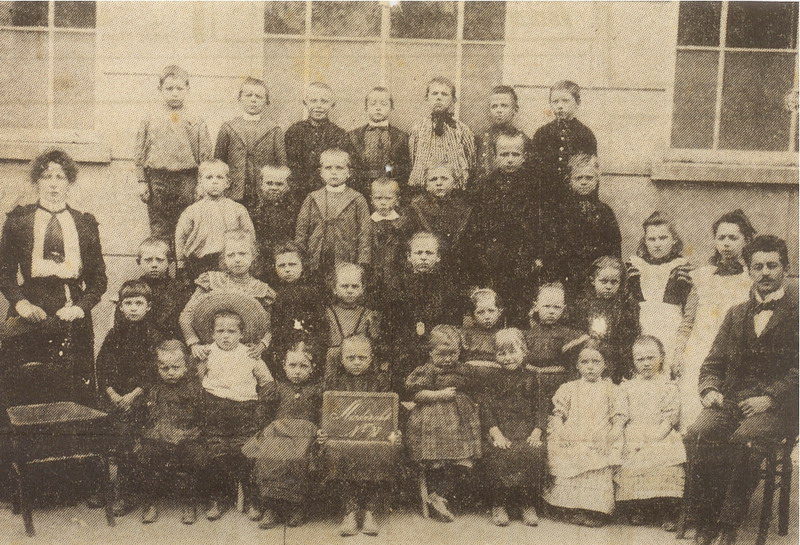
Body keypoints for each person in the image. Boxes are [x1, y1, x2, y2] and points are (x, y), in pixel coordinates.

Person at [683, 235, 798, 545]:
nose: (765, 273)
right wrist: (710, 390)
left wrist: (770, 397)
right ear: (748, 270)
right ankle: (705, 520)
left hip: (778, 408)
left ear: (785, 268)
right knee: (698, 433)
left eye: (772, 265)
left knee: (743, 439)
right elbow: (712, 364)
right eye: (757, 266)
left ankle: (728, 525)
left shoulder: (797, 312)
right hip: (732, 401)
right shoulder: (736, 314)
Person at [0, 148, 107, 407]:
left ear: (69, 182)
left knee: (71, 385)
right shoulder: (19, 221)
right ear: (37, 181)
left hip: (71, 308)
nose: (53, 184)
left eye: (60, 177)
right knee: (23, 383)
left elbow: (98, 280)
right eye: (46, 177)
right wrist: (21, 304)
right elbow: (4, 273)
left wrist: (80, 308)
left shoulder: (84, 224)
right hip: (30, 307)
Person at [673, 210, 755, 431]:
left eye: (733, 238)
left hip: (733, 354)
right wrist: (679, 352)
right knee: (691, 414)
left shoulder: (751, 278)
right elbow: (688, 320)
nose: (726, 243)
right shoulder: (702, 276)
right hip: (698, 352)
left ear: (746, 240)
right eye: (721, 237)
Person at [194, 305, 274, 521]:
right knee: (216, 453)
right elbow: (197, 382)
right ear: (212, 334)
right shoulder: (207, 353)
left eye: (232, 331)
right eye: (220, 331)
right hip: (214, 409)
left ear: (241, 334)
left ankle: (252, 498)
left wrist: (261, 407)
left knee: (247, 453)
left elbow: (267, 382)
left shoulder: (250, 354)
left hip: (244, 411)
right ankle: (218, 498)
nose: (226, 336)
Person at [319, 335, 401, 537]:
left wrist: (396, 432)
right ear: (341, 359)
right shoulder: (333, 381)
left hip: (374, 437)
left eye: (362, 358)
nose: (356, 362)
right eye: (351, 357)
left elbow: (391, 411)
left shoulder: (381, 381)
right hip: (341, 438)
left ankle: (370, 511)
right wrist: (321, 431)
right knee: (334, 451)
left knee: (385, 449)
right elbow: (322, 412)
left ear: (371, 358)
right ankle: (350, 510)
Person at [96, 280, 163, 516]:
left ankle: (131, 494)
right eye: (128, 303)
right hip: (114, 397)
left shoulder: (153, 336)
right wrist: (112, 393)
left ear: (148, 306)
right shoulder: (114, 335)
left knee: (129, 437)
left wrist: (133, 395)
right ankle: (107, 489)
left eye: (139, 303)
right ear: (121, 306)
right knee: (101, 432)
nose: (133, 308)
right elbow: (102, 366)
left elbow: (153, 372)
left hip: (142, 398)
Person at [243, 340, 323, 529]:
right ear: (284, 365)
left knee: (299, 460)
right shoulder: (276, 388)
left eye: (303, 366)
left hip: (305, 437)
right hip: (278, 434)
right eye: (292, 365)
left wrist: (320, 429)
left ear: (313, 367)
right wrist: (264, 430)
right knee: (269, 457)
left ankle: (296, 507)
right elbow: (264, 414)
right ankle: (271, 507)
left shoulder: (317, 390)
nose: (297, 371)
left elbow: (324, 414)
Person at [405, 325, 481, 523]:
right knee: (436, 460)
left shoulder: (464, 370)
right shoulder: (427, 370)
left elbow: (476, 390)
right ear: (431, 352)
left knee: (463, 460)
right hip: (433, 420)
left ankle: (441, 496)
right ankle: (435, 495)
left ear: (459, 351)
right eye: (442, 354)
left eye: (452, 353)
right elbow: (417, 394)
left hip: (460, 421)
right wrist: (439, 394)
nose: (448, 359)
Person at [543, 339, 622, 528]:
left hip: (600, 435)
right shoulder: (569, 388)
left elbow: (618, 421)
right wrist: (563, 434)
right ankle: (570, 508)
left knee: (597, 457)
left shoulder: (613, 390)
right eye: (585, 362)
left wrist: (608, 439)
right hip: (573, 435)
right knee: (567, 452)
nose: (590, 367)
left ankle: (595, 510)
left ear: (605, 365)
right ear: (577, 365)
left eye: (596, 362)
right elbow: (557, 416)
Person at [613, 335, 685, 531]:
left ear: (661, 357)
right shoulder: (627, 387)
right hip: (634, 431)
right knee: (630, 457)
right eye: (640, 359)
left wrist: (654, 437)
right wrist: (617, 431)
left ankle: (667, 511)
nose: (646, 363)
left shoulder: (668, 386)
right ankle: (639, 508)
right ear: (633, 361)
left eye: (651, 358)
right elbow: (620, 415)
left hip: (660, 431)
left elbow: (669, 418)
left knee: (663, 456)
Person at [135, 65, 212, 241]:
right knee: (159, 228)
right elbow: (140, 151)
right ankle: (160, 259)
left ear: (187, 89)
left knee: (187, 227)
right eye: (169, 89)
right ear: (160, 89)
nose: (175, 93)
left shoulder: (196, 119)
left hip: (187, 179)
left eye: (179, 88)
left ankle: (182, 260)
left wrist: (201, 183)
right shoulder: (150, 118)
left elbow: (205, 155)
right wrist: (142, 181)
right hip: (157, 179)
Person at [472, 129, 540, 326]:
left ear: (524, 156)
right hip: (494, 260)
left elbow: (540, 224)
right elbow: (477, 225)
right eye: (504, 154)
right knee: (493, 310)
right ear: (494, 156)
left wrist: (536, 256)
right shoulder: (485, 186)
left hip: (523, 259)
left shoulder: (534, 186)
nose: (510, 159)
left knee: (519, 311)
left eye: (515, 154)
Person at [382, 232, 465, 391]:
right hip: (405, 348)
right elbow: (390, 323)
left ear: (438, 257)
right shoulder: (398, 285)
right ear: (409, 256)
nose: (424, 257)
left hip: (436, 350)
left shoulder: (446, 287)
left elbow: (452, 324)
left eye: (429, 253)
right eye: (418, 253)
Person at [479, 328, 545, 527]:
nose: (507, 358)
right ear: (496, 355)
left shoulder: (533, 377)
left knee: (531, 452)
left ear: (523, 351)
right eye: (502, 353)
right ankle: (499, 504)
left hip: (526, 429)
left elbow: (541, 406)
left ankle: (527, 503)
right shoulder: (492, 379)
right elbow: (486, 408)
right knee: (499, 453)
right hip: (501, 428)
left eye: (512, 352)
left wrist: (537, 430)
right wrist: (495, 432)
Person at [137, 340, 207, 525]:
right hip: (159, 434)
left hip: (186, 434)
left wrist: (188, 432)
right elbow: (149, 415)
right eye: (164, 368)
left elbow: (200, 416)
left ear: (186, 366)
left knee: (193, 455)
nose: (170, 372)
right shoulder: (155, 388)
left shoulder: (193, 388)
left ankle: (189, 503)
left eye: (176, 367)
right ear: (157, 367)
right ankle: (150, 503)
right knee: (147, 454)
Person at [180, 229, 276, 364]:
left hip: (244, 353)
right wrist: (194, 344)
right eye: (231, 255)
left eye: (242, 253)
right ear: (223, 258)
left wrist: (262, 345)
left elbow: (269, 325)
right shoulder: (211, 280)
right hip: (211, 351)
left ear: (253, 256)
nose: (237, 259)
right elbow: (186, 316)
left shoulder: (261, 290)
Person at [542, 153, 621, 295]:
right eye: (579, 178)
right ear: (569, 180)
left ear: (597, 179)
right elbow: (552, 247)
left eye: (589, 178)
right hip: (567, 274)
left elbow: (614, 247)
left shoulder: (605, 211)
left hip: (598, 278)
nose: (584, 182)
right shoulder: (559, 211)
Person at [627, 211, 693, 372]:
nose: (657, 244)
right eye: (652, 239)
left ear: (674, 239)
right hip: (641, 328)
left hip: (672, 330)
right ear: (645, 241)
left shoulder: (682, 267)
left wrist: (681, 343)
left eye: (663, 238)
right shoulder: (634, 266)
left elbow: (689, 310)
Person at [175, 159, 256, 282]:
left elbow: (249, 235)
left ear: (227, 183)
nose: (214, 181)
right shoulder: (192, 211)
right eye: (209, 177)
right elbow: (181, 237)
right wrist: (181, 263)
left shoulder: (237, 209)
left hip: (229, 260)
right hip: (200, 262)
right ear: (200, 181)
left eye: (219, 177)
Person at [295, 148, 372, 276]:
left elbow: (365, 233)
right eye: (328, 168)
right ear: (320, 172)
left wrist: (363, 261)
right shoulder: (312, 198)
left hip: (346, 257)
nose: (334, 172)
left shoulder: (357, 199)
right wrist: (300, 257)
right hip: (316, 257)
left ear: (349, 172)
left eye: (339, 168)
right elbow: (301, 231)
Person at [214, 77, 287, 211]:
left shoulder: (274, 129)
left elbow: (282, 165)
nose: (253, 100)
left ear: (266, 101)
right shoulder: (228, 127)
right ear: (240, 98)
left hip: (264, 193)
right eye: (248, 95)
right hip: (234, 193)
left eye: (259, 96)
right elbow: (218, 163)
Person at [407, 163, 481, 288]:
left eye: (444, 178)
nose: (439, 183)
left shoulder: (463, 208)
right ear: (426, 185)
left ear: (454, 183)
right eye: (433, 179)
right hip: (425, 266)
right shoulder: (416, 208)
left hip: (457, 268)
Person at [568, 256, 639, 383]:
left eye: (614, 282)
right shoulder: (583, 306)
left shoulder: (626, 307)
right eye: (604, 281)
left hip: (617, 361)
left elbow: (629, 338)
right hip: (589, 361)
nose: (608, 286)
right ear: (593, 281)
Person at [529, 80, 597, 204]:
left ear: (577, 102)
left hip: (575, 199)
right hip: (546, 199)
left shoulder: (585, 134)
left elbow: (591, 171)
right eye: (555, 101)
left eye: (565, 101)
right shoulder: (542, 133)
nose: (560, 106)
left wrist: (590, 202)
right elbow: (532, 170)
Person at [524, 282, 584, 417]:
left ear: (564, 309)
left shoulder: (568, 335)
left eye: (557, 307)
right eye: (547, 306)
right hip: (531, 382)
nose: (551, 311)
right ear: (536, 306)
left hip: (556, 382)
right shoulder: (528, 334)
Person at [267, 242, 325, 379]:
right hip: (282, 346)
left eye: (292, 265)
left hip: (307, 344)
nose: (287, 269)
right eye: (282, 265)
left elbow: (318, 324)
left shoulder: (311, 292)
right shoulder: (273, 292)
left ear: (302, 265)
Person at [408, 77, 476, 191]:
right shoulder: (418, 129)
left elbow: (471, 161)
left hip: (454, 191)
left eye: (444, 94)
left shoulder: (462, 130)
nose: (439, 97)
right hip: (423, 190)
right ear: (427, 98)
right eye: (434, 93)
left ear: (453, 100)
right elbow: (412, 158)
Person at [285, 82, 352, 195]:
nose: (318, 106)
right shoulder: (294, 131)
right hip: (298, 190)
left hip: (328, 191)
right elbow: (289, 165)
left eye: (324, 101)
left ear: (332, 104)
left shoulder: (339, 134)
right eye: (313, 101)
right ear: (305, 103)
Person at [323, 263, 381, 380]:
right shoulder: (327, 313)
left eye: (355, 286)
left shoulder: (369, 315)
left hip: (360, 368)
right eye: (344, 286)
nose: (350, 290)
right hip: (333, 371)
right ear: (334, 288)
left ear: (362, 288)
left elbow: (374, 341)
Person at [348, 87, 410, 196]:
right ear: (366, 108)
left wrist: (386, 172)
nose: (378, 108)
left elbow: (404, 166)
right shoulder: (353, 136)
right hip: (361, 189)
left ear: (391, 108)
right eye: (373, 104)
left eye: (383, 104)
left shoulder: (401, 137)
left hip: (389, 189)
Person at [128, 237, 191, 339]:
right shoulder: (132, 289)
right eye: (148, 260)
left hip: (168, 340)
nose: (154, 265)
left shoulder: (179, 289)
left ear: (169, 262)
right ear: (139, 262)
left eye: (160, 260)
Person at [368, 177, 411, 306]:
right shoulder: (368, 223)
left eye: (388, 198)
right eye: (378, 198)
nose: (383, 202)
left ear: (397, 200)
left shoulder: (403, 223)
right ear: (371, 200)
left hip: (397, 275)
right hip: (373, 276)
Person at [252, 165, 300, 282]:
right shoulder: (253, 209)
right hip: (262, 259)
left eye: (279, 184)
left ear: (288, 186)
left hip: (286, 259)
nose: (274, 188)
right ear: (261, 185)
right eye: (269, 183)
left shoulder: (294, 210)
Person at [475, 86, 529, 180]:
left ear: (515, 109)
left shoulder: (523, 140)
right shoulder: (480, 139)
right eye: (494, 106)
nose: (499, 110)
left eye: (504, 106)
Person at [461, 288, 504, 367]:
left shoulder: (503, 335)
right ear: (473, 316)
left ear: (499, 312)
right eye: (480, 312)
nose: (487, 316)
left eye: (491, 311)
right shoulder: (466, 335)